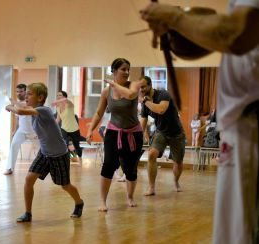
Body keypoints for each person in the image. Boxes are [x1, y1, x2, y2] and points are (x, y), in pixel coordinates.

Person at [141, 3, 259, 243]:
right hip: (241, 129)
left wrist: (175, 17)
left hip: (250, 128)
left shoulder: (160, 96)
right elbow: (230, 40)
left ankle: (175, 182)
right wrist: (180, 31)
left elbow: (236, 32)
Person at [6, 82, 84, 222]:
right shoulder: (33, 109)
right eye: (26, 93)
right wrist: (13, 105)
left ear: (40, 97)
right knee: (29, 179)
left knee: (65, 185)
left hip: (59, 155)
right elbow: (22, 107)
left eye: (30, 94)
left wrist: (9, 107)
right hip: (44, 153)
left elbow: (20, 111)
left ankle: (79, 203)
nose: (26, 96)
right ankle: (28, 213)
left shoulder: (44, 110)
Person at [85, 58, 143, 211]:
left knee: (130, 168)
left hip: (133, 134)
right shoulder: (107, 91)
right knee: (109, 164)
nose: (127, 72)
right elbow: (99, 112)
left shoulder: (134, 86)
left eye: (128, 69)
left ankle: (130, 196)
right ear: (115, 71)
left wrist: (113, 83)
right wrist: (90, 130)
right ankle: (103, 201)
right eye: (123, 69)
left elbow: (130, 95)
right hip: (113, 132)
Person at [138, 76, 186, 196]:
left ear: (150, 85)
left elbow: (161, 110)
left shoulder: (163, 94)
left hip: (177, 133)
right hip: (161, 132)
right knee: (151, 154)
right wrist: (137, 137)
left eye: (143, 86)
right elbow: (142, 122)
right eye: (139, 87)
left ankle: (175, 181)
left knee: (178, 162)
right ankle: (151, 188)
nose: (141, 89)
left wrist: (144, 101)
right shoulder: (146, 104)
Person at [4, 83, 36, 175]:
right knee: (13, 145)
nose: (19, 93)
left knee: (41, 149)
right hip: (21, 130)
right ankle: (9, 168)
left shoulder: (30, 100)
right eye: (17, 91)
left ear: (25, 91)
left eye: (21, 91)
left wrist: (12, 104)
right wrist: (15, 130)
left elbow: (23, 106)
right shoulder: (16, 103)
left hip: (33, 131)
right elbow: (18, 118)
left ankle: (46, 168)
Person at [53, 91, 83, 165]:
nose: (58, 96)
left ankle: (79, 159)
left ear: (64, 97)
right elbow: (58, 119)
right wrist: (51, 126)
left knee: (77, 146)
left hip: (74, 129)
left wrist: (59, 101)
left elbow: (66, 100)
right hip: (64, 128)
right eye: (57, 95)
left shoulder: (69, 105)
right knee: (63, 144)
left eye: (60, 95)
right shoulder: (58, 107)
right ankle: (66, 159)